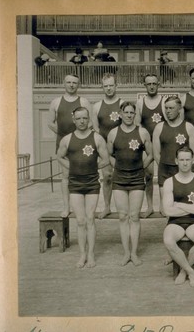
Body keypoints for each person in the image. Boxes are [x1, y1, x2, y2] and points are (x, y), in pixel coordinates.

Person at [56, 107, 109, 268]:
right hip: (75, 184)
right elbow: (59, 156)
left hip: (92, 183)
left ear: (89, 119)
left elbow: (106, 159)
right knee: (80, 221)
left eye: (85, 118)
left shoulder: (97, 138)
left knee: (90, 219)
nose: (82, 121)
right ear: (74, 119)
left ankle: (91, 254)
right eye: (78, 118)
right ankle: (82, 255)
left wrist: (93, 168)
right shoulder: (67, 139)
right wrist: (71, 167)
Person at [107, 102, 153, 266]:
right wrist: (118, 167)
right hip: (119, 179)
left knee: (134, 216)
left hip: (136, 179)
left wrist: (141, 166)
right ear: (120, 113)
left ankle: (134, 253)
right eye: (126, 112)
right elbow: (109, 155)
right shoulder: (113, 133)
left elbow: (151, 154)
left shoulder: (142, 132)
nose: (128, 115)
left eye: (131, 112)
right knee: (122, 216)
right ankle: (126, 253)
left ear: (135, 114)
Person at [162, 146, 194, 287]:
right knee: (168, 240)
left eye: (188, 159)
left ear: (192, 161)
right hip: (175, 222)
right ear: (176, 161)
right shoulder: (169, 182)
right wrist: (193, 208)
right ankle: (190, 271)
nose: (185, 163)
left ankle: (183, 271)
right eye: (181, 159)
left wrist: (179, 205)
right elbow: (167, 211)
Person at [47, 74, 92, 217]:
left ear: (78, 85)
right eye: (69, 82)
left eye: (74, 82)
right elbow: (50, 122)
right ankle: (66, 207)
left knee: (84, 175)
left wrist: (78, 135)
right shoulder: (56, 102)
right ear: (64, 83)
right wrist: (66, 137)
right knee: (66, 175)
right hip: (63, 143)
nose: (71, 85)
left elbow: (90, 123)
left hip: (81, 143)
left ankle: (83, 208)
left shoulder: (83, 101)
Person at [153, 95, 194, 216]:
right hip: (165, 172)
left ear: (179, 109)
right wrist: (166, 165)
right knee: (166, 211)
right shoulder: (159, 128)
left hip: (184, 173)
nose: (168, 111)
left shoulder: (189, 127)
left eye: (171, 108)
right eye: (166, 108)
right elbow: (156, 154)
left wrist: (183, 171)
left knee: (187, 208)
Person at [92, 73, 123, 219]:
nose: (109, 88)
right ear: (102, 88)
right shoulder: (97, 106)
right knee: (107, 177)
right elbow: (96, 129)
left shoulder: (122, 104)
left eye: (111, 85)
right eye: (106, 86)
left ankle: (123, 208)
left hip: (121, 147)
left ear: (116, 86)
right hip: (104, 148)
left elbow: (128, 126)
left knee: (123, 177)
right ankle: (107, 207)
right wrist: (103, 146)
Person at [135, 73, 164, 218]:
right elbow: (138, 124)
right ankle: (150, 206)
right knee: (148, 175)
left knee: (164, 176)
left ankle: (164, 206)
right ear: (145, 86)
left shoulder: (164, 101)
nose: (152, 86)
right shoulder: (140, 102)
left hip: (162, 143)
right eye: (149, 84)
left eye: (154, 83)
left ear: (158, 84)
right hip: (147, 144)